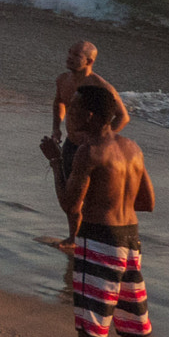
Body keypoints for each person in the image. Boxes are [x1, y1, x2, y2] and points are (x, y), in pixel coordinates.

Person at [43, 83, 153, 337]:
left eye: (74, 107)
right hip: (131, 240)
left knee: (91, 325)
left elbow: (69, 204)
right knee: (131, 319)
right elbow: (147, 202)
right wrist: (114, 198)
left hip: (100, 240)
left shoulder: (88, 153)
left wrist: (54, 162)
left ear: (90, 116)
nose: (69, 112)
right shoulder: (132, 148)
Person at [50, 42, 130, 244]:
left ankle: (91, 239)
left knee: (91, 198)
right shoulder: (63, 80)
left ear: (89, 61)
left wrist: (102, 139)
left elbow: (123, 117)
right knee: (71, 194)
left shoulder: (100, 87)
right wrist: (56, 128)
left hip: (93, 150)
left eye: (75, 55)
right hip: (72, 144)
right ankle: (73, 237)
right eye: (69, 52)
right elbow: (59, 101)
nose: (69, 57)